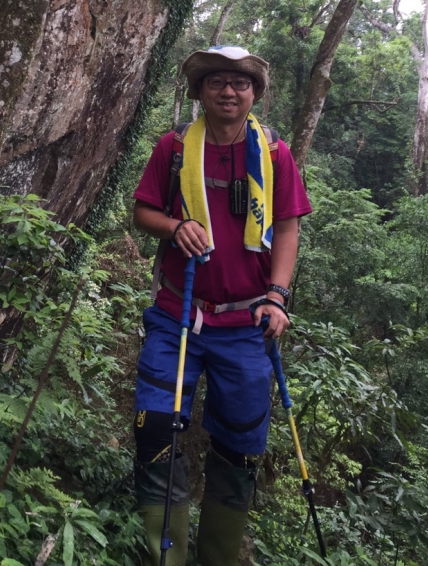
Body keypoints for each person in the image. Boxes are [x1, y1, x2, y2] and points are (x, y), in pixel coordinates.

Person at [132, 45, 312, 566]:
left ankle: (218, 556)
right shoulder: (172, 149)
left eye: (240, 83)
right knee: (157, 429)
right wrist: (174, 226)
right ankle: (164, 554)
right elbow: (143, 212)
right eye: (217, 82)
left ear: (253, 93)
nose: (229, 91)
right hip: (177, 315)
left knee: (239, 446)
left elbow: (286, 227)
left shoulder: (275, 155)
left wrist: (278, 297)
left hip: (248, 323)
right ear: (201, 91)